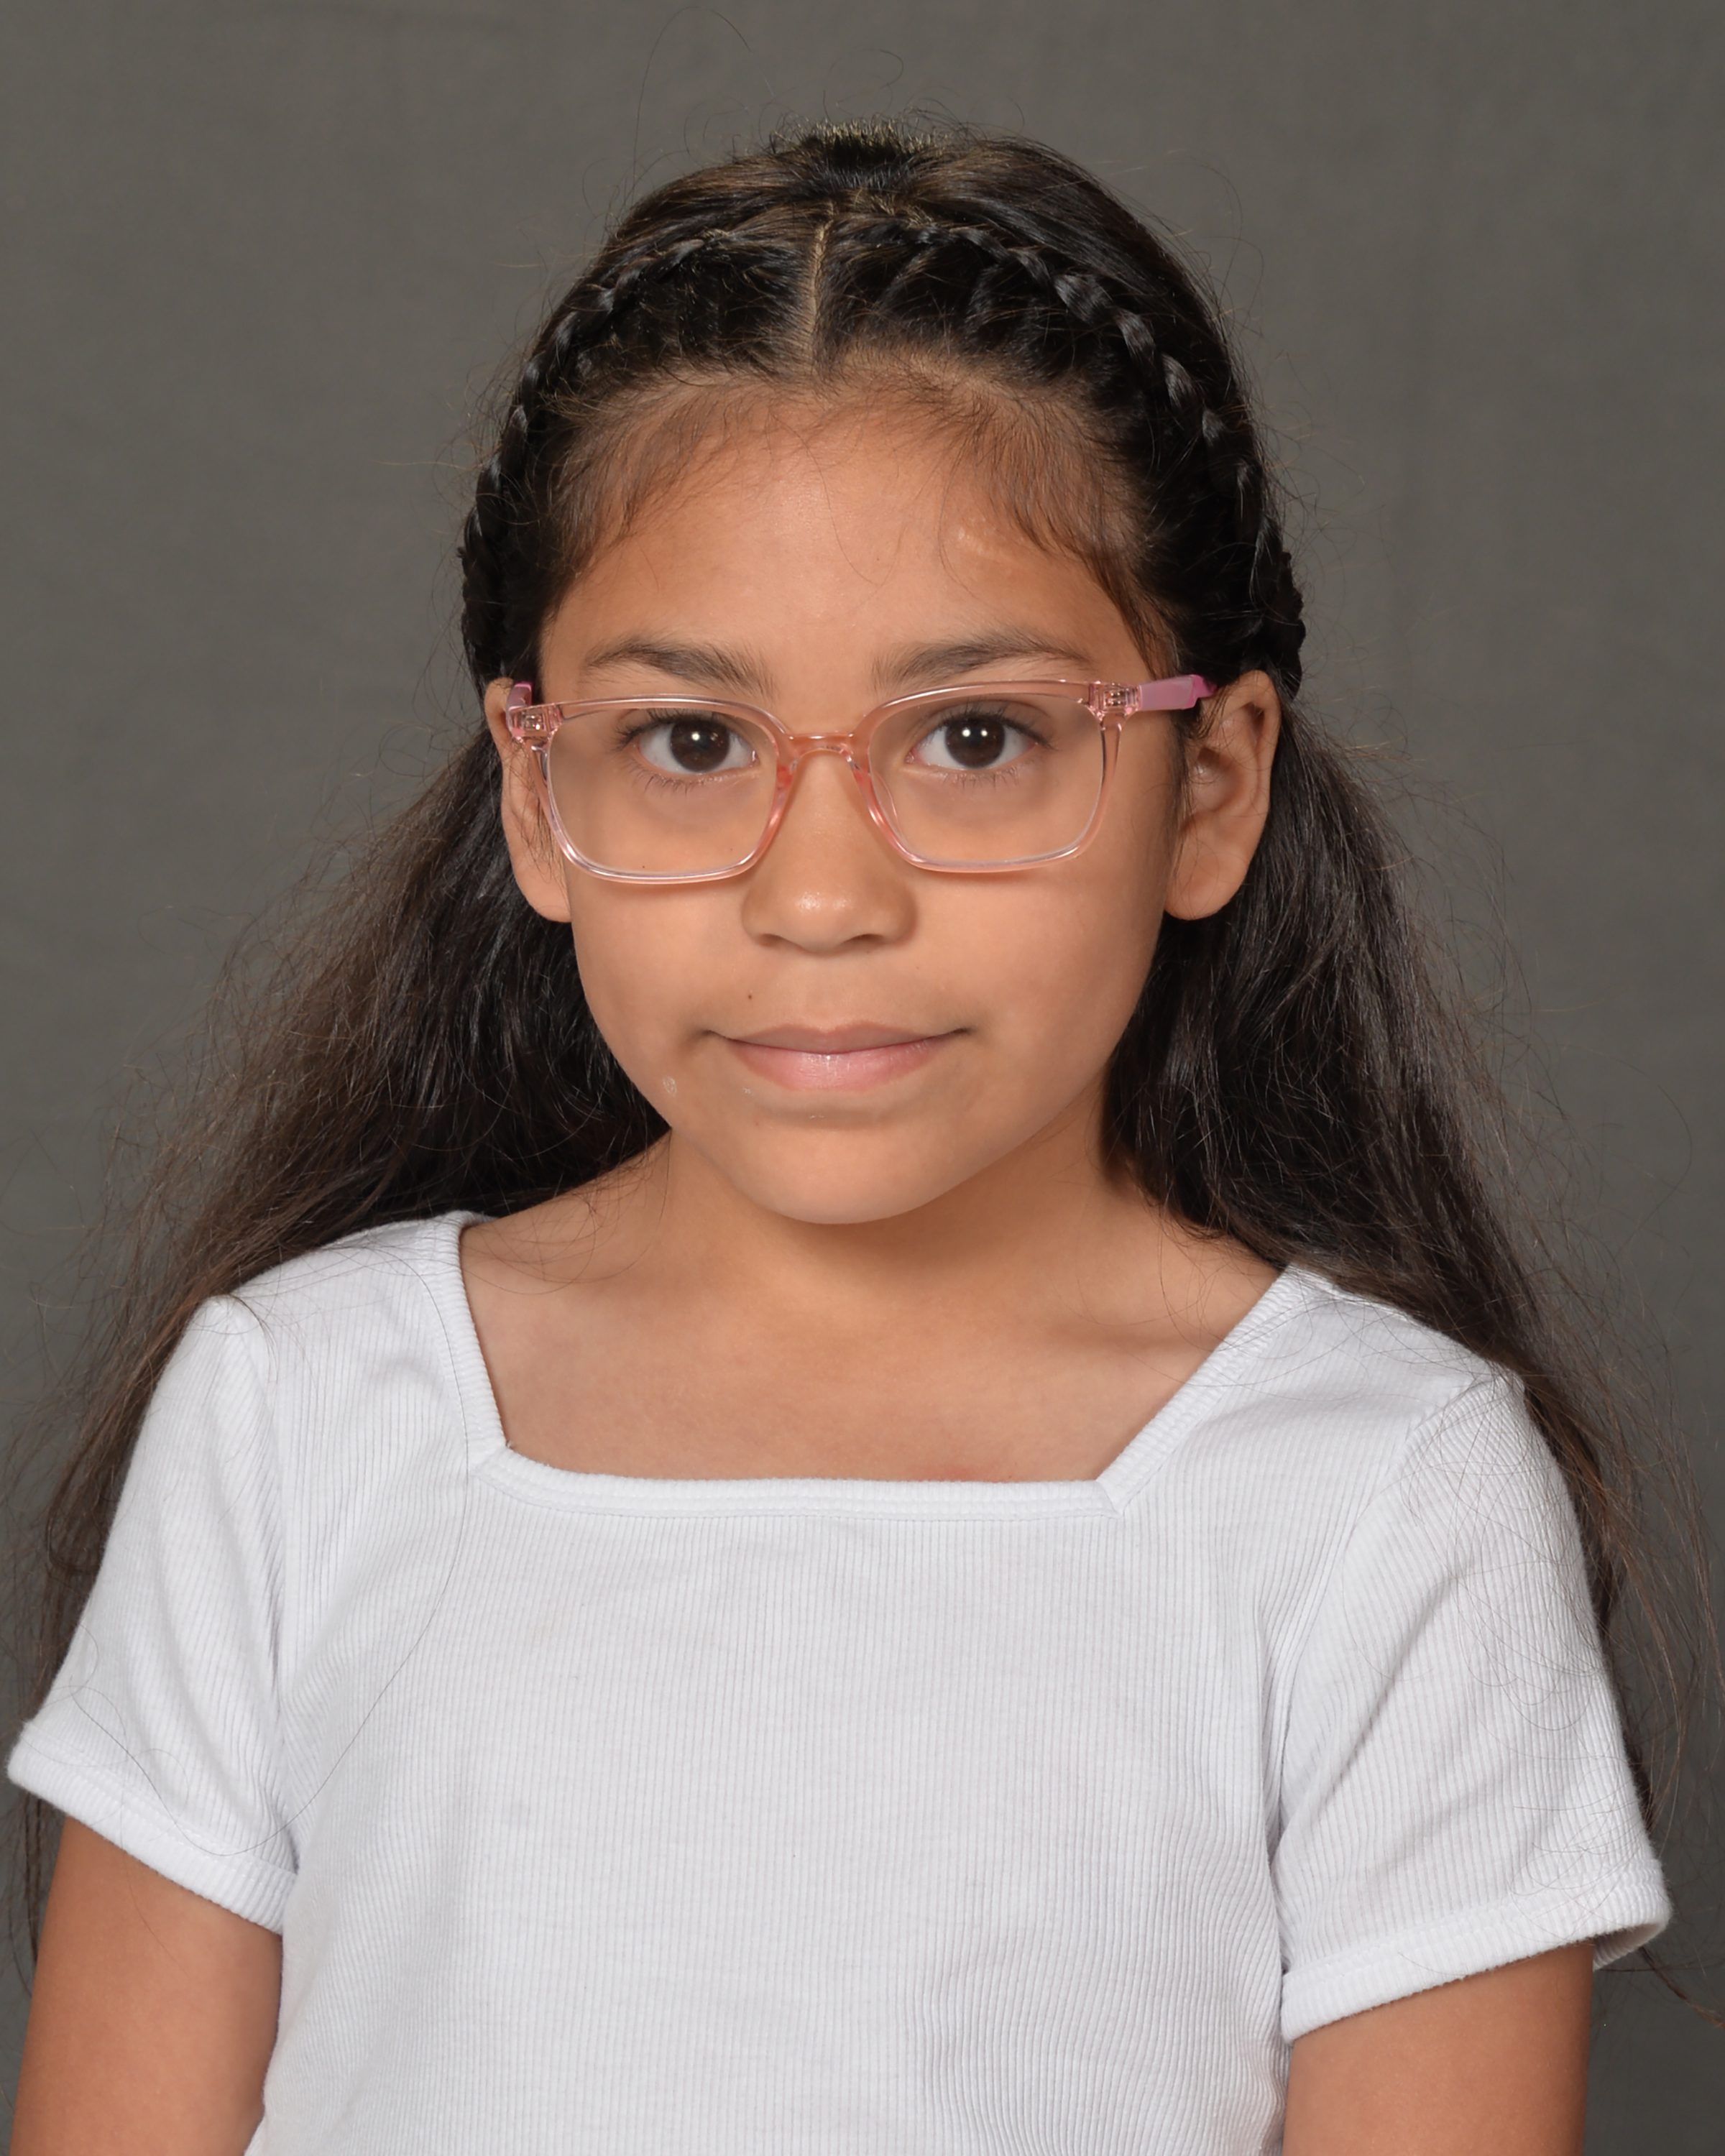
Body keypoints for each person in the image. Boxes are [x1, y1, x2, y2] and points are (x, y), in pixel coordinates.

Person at [6, 121, 1675, 2155]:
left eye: (976, 739)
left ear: (1213, 787)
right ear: (535, 794)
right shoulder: (302, 1418)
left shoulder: (1384, 1502)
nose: (819, 897)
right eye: (690, 742)